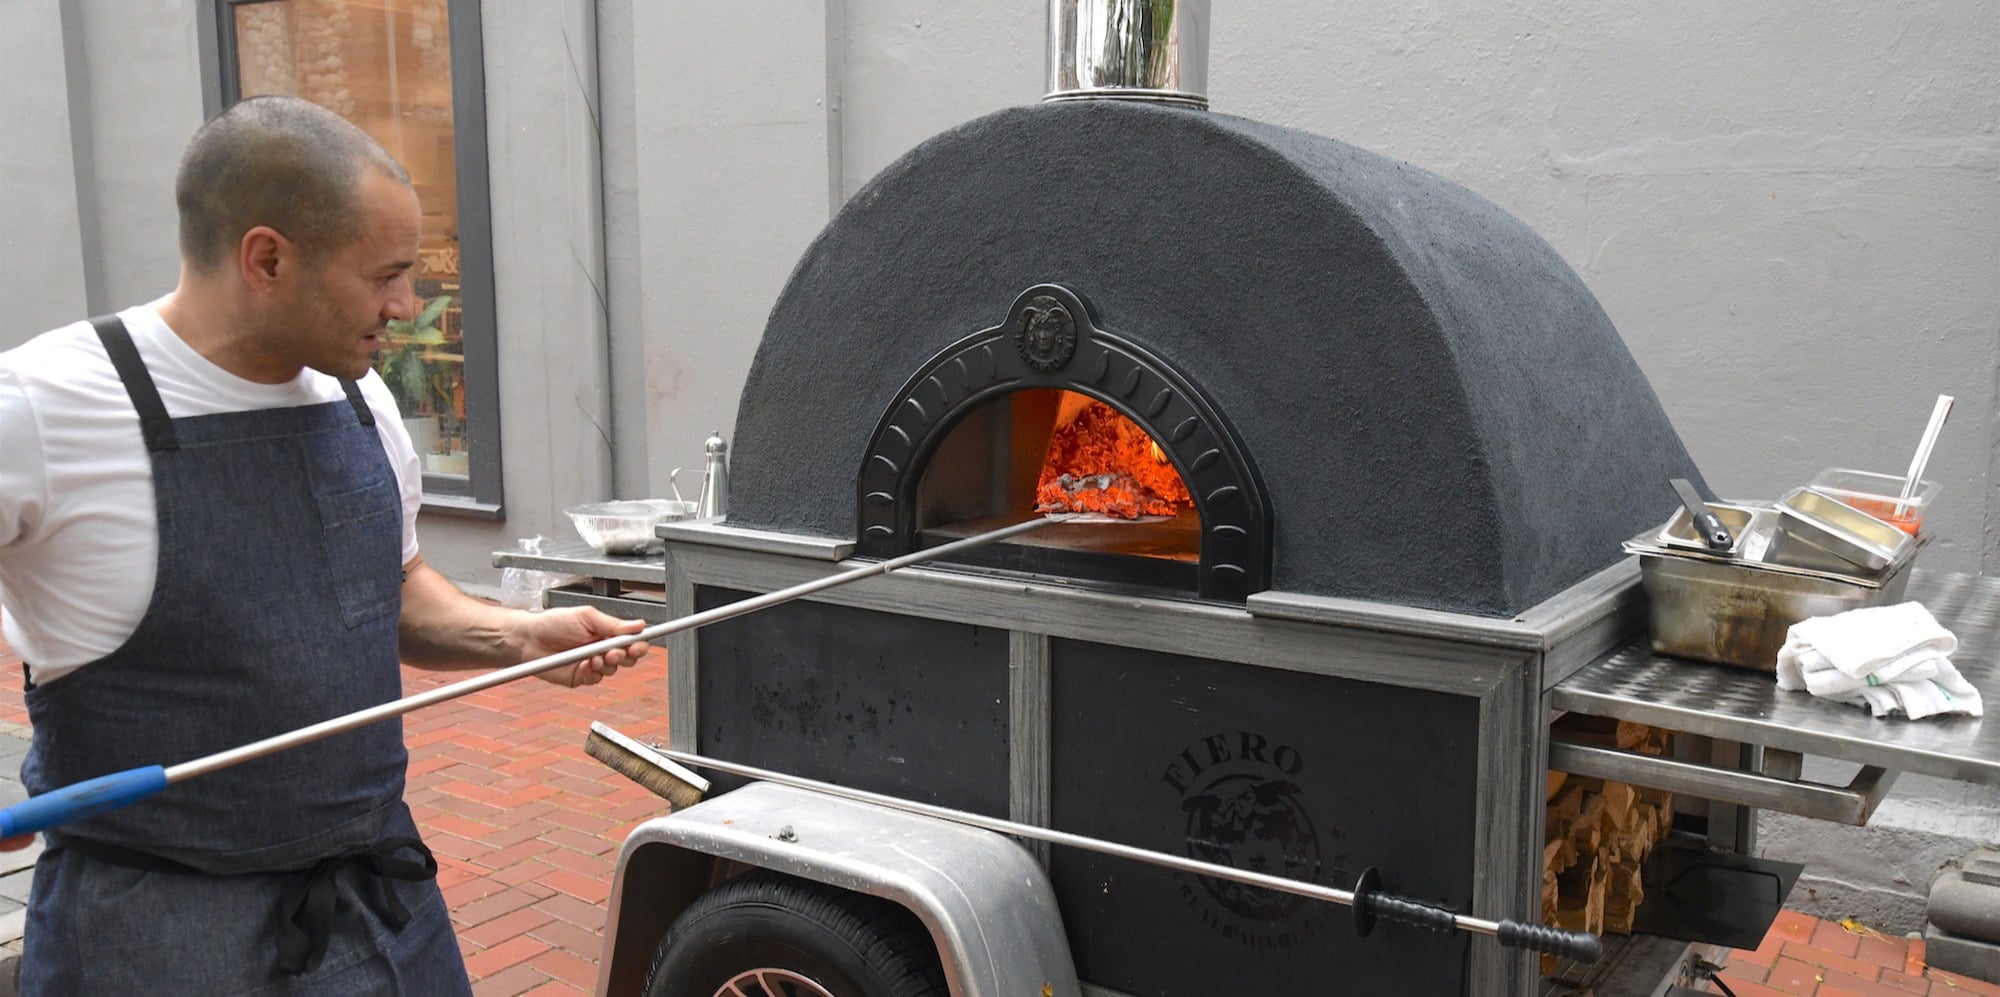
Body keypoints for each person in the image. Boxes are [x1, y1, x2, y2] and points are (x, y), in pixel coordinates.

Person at [0, 96, 652, 993]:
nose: (407, 303)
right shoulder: (44, 408)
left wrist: (516, 637)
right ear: (267, 258)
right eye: (384, 274)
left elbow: (388, 590)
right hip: (155, 941)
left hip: (379, 912)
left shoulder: (360, 398)